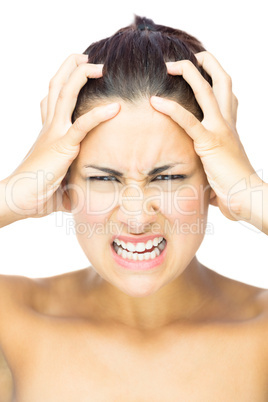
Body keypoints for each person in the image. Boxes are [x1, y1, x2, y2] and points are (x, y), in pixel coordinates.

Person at [0, 14, 267, 401]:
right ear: (64, 182)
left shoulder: (261, 330)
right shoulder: (12, 320)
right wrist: (11, 194)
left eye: (168, 178)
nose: (137, 217)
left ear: (212, 181)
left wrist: (251, 193)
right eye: (104, 179)